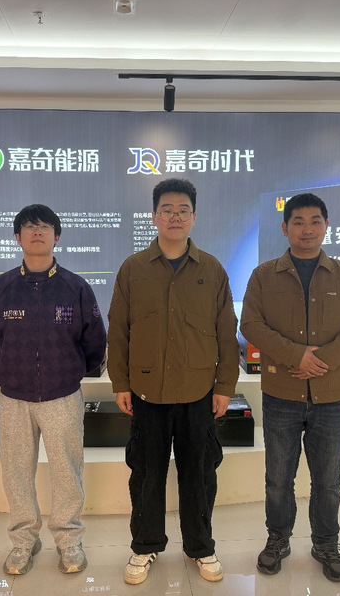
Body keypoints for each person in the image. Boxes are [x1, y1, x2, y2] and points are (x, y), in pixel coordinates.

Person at [107, 178, 239, 585]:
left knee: (199, 473)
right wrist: (120, 382)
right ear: (154, 217)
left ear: (194, 217)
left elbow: (226, 333)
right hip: (147, 392)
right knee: (146, 474)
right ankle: (144, 545)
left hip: (198, 392)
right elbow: (118, 331)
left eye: (183, 210)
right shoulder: (133, 269)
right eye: (167, 210)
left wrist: (224, 386)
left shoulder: (212, 269)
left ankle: (201, 547)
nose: (175, 217)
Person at [240, 193, 340, 581]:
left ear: (326, 226)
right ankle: (278, 539)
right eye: (298, 222)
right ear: (285, 229)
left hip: (330, 394)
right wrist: (296, 355)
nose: (307, 229)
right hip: (281, 393)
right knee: (278, 479)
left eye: (315, 221)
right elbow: (250, 324)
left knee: (328, 481)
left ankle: (326, 543)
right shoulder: (264, 275)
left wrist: (324, 358)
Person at [0, 204, 106, 576]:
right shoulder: (1, 288)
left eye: (45, 226)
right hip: (14, 396)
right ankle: (23, 541)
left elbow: (94, 342)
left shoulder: (75, 287)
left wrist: (69, 373)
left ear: (57, 236)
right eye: (29, 226)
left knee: (67, 471)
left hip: (62, 395)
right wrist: (12, 372)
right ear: (17, 237)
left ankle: (69, 541)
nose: (37, 232)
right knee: (16, 472)